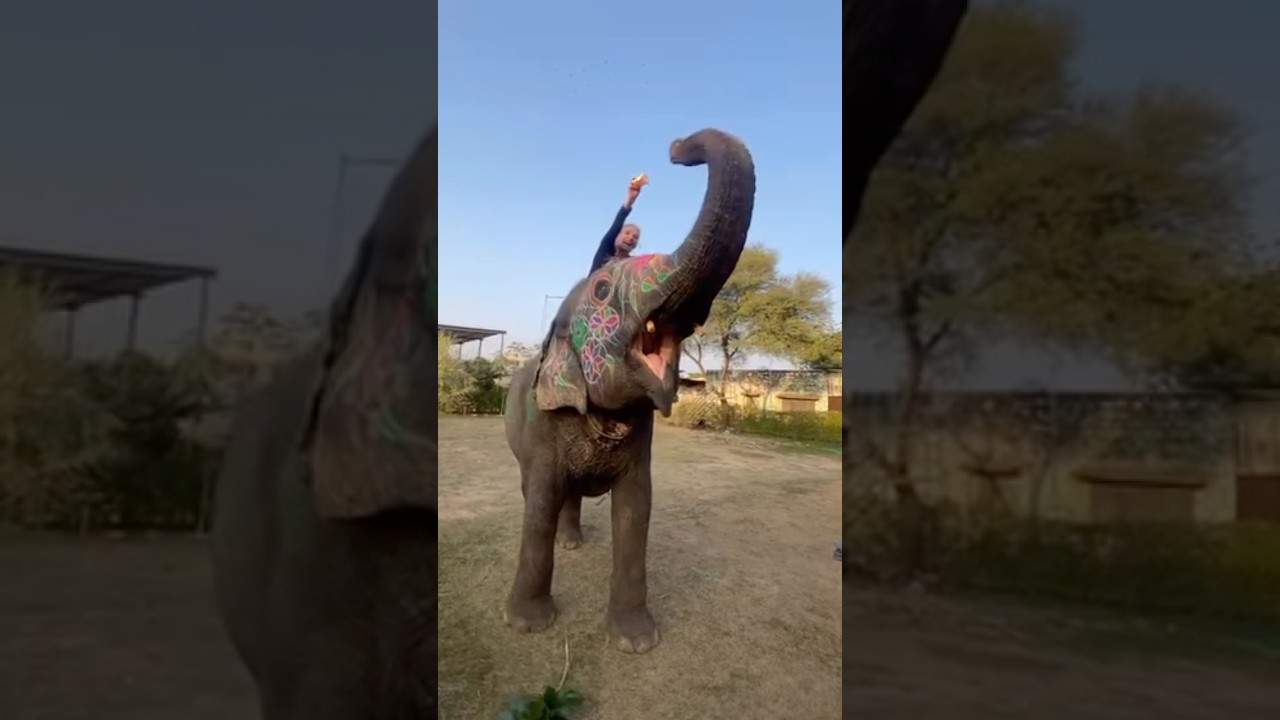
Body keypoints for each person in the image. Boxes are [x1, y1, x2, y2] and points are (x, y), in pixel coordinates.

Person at [589, 175, 647, 274]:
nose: (631, 238)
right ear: (617, 235)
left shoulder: (633, 264)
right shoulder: (605, 254)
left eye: (635, 237)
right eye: (627, 233)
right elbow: (616, 225)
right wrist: (629, 201)